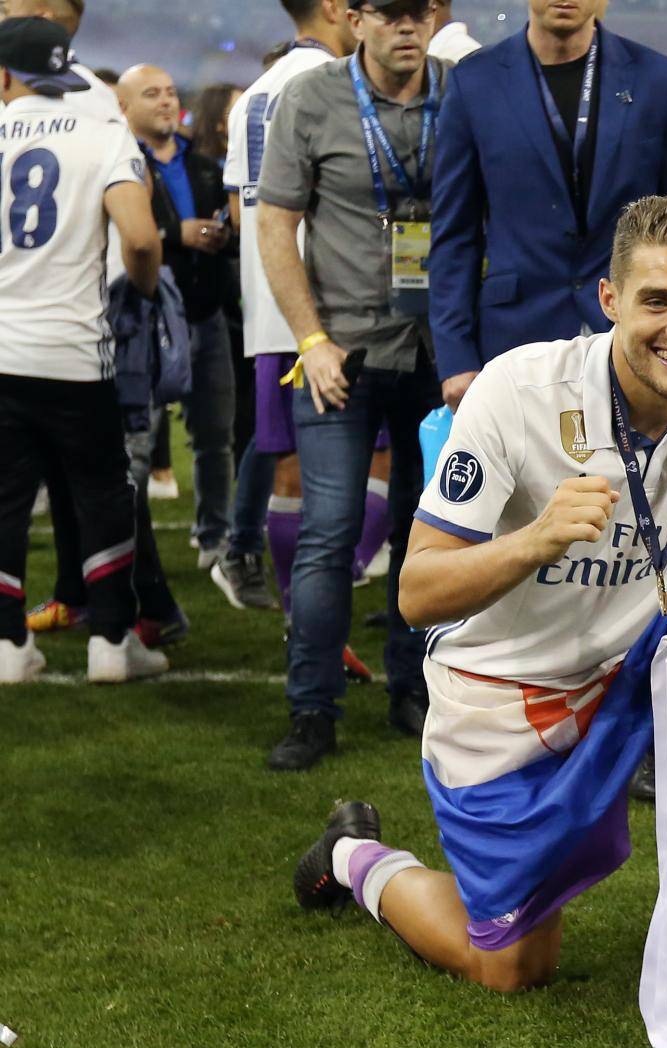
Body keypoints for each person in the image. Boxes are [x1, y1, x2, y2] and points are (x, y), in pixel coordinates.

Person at [292, 195, 667, 1000]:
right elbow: (419, 590)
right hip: (508, 694)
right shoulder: (519, 390)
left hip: (638, 660)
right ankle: (356, 859)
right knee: (511, 967)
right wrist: (535, 539)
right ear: (609, 300)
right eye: (657, 301)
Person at [256, 0, 450, 768]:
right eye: (390, 12)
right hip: (341, 353)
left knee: (426, 529)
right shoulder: (309, 98)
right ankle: (312, 707)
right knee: (329, 531)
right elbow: (276, 223)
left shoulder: (462, 91)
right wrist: (312, 339)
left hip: (439, 354)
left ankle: (414, 685)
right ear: (355, 17)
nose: (408, 26)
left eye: (421, 11)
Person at [430, 0, 667, 411]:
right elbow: (454, 236)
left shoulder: (656, 79)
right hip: (514, 339)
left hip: (636, 334)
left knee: (634, 476)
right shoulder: (474, 83)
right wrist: (455, 358)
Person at [0, 16, 167, 684]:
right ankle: (110, 640)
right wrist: (146, 290)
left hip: (3, 348)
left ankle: (8, 647)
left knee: (6, 500)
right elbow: (143, 238)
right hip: (75, 349)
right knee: (100, 492)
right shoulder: (103, 134)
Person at [213, 0, 359, 621]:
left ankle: (305, 618)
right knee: (372, 459)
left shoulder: (252, 95)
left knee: (290, 471)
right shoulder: (334, 85)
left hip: (274, 307)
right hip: (331, 306)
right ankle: (317, 608)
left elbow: (248, 214)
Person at [119, 64, 237, 572]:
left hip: (205, 314)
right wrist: (176, 235)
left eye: (170, 91)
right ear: (124, 108)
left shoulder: (206, 166)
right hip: (143, 318)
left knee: (215, 436)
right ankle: (128, 552)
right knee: (136, 446)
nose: (167, 101)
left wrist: (220, 235)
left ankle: (215, 538)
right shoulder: (120, 162)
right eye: (152, 94)